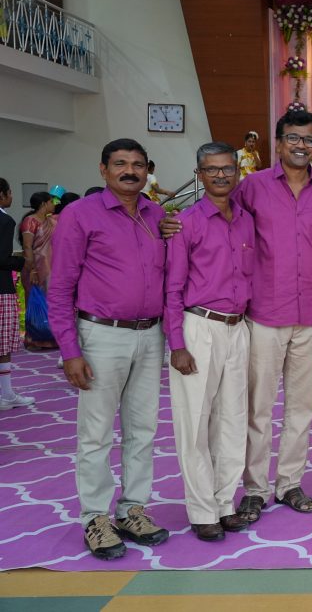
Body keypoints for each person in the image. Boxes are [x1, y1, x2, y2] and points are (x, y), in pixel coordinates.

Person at [161, 109, 312, 523]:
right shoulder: (253, 187)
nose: (300, 146)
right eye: (292, 138)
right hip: (263, 314)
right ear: (278, 143)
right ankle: (255, 487)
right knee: (256, 407)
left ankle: (290, 482)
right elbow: (217, 216)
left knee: (302, 407)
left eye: (307, 139)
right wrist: (168, 223)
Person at [49, 139, 170, 560]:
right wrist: (70, 350)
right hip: (101, 336)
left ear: (147, 171)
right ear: (103, 170)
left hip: (150, 335)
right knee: (96, 433)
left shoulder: (157, 215)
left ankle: (133, 508)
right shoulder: (80, 214)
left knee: (143, 429)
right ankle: (95, 518)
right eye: (120, 164)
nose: (130, 171)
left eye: (137, 164)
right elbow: (60, 287)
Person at [164, 142, 254, 541]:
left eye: (227, 169)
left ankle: (224, 503)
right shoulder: (186, 222)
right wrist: (177, 344)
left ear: (237, 172)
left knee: (233, 420)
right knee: (195, 422)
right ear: (199, 174)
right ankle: (202, 510)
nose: (220, 175)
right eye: (212, 169)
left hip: (239, 327)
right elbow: (172, 288)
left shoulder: (246, 221)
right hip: (198, 327)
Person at [0, 178, 31, 411]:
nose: (11, 196)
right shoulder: (5, 220)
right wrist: (23, 263)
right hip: (1, 289)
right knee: (3, 346)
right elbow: (2, 259)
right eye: (9, 192)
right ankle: (7, 394)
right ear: (1, 195)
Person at [19, 192, 59, 350]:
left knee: (53, 302)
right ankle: (33, 339)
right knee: (34, 302)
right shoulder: (30, 221)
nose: (54, 204)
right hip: (35, 267)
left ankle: (51, 338)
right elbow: (27, 246)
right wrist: (32, 270)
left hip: (52, 267)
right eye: (51, 202)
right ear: (43, 204)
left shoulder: (52, 221)